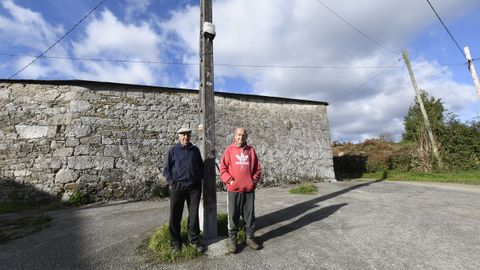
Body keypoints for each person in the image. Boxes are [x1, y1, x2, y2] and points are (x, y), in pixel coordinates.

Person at [163, 127, 205, 253]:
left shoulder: (195, 150)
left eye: (187, 135)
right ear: (179, 136)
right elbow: (166, 170)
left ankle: (194, 240)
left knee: (193, 215)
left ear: (190, 136)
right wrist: (172, 182)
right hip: (178, 187)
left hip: (194, 188)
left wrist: (199, 179)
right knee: (175, 214)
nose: (185, 137)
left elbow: (201, 166)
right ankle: (176, 242)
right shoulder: (173, 151)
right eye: (183, 135)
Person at [220, 127, 261, 253]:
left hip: (248, 190)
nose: (241, 137)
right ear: (235, 136)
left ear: (246, 137)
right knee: (233, 216)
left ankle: (249, 238)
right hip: (234, 190)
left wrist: (253, 181)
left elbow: (257, 169)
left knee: (249, 216)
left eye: (243, 135)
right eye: (239, 134)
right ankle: (233, 241)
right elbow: (223, 168)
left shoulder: (251, 151)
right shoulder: (229, 150)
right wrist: (230, 180)